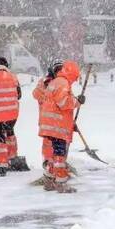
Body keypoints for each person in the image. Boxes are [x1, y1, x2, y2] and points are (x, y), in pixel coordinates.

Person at [36, 60, 84, 193]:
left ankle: (49, 180)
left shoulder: (56, 81)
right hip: (56, 126)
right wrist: (77, 102)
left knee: (53, 155)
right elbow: (63, 103)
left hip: (50, 125)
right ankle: (61, 183)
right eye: (75, 77)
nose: (74, 80)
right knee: (59, 155)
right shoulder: (63, 83)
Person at [32, 59, 63, 184]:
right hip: (51, 123)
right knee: (51, 148)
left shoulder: (60, 84)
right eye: (58, 70)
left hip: (55, 123)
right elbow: (36, 94)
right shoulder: (47, 83)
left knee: (57, 148)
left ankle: (56, 168)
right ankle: (52, 169)